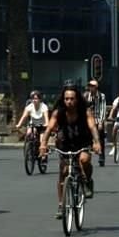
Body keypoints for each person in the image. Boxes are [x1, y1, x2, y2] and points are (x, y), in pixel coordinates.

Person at [39, 83, 101, 218]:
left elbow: (92, 127)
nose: (69, 101)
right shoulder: (58, 112)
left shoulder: (85, 111)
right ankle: (61, 204)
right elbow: (49, 129)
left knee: (84, 160)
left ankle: (87, 181)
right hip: (65, 143)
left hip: (82, 141)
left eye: (72, 99)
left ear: (77, 99)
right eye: (67, 99)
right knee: (63, 172)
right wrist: (43, 144)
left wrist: (97, 142)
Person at [85, 80, 108, 166]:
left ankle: (101, 156)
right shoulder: (86, 95)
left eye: (92, 86)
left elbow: (103, 109)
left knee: (100, 136)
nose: (90, 88)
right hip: (89, 117)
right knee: (86, 137)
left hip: (98, 117)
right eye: (89, 86)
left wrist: (101, 122)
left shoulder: (102, 96)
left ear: (96, 87)